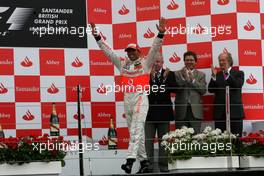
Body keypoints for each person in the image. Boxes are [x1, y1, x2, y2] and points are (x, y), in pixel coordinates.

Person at [90, 18, 166, 174]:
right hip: (127, 100)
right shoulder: (122, 63)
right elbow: (107, 51)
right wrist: (96, 35)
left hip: (141, 98)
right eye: (128, 51)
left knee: (137, 130)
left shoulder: (146, 62)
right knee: (134, 131)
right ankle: (144, 161)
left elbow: (154, 47)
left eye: (133, 50)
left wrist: (160, 33)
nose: (130, 53)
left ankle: (130, 161)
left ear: (139, 51)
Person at [145, 53, 175, 173]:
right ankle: (149, 166)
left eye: (158, 62)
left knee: (164, 140)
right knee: (148, 141)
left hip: (164, 112)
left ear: (162, 62)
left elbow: (175, 88)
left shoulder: (169, 74)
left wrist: (163, 81)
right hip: (149, 112)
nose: (156, 64)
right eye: (154, 62)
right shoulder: (146, 74)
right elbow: (143, 90)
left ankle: (164, 166)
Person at [208, 52, 245, 136]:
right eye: (219, 60)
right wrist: (213, 76)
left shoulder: (239, 73)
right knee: (221, 140)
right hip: (220, 113)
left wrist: (226, 74)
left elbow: (237, 85)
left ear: (229, 61)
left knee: (236, 139)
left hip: (235, 113)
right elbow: (210, 89)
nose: (221, 62)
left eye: (223, 60)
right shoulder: (217, 75)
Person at [174, 51, 206, 133]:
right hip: (181, 111)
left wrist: (193, 80)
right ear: (184, 61)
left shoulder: (201, 74)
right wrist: (184, 79)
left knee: (196, 138)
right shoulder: (177, 74)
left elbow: (203, 91)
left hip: (195, 112)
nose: (189, 62)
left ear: (195, 61)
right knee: (181, 139)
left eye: (191, 60)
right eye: (187, 60)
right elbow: (175, 89)